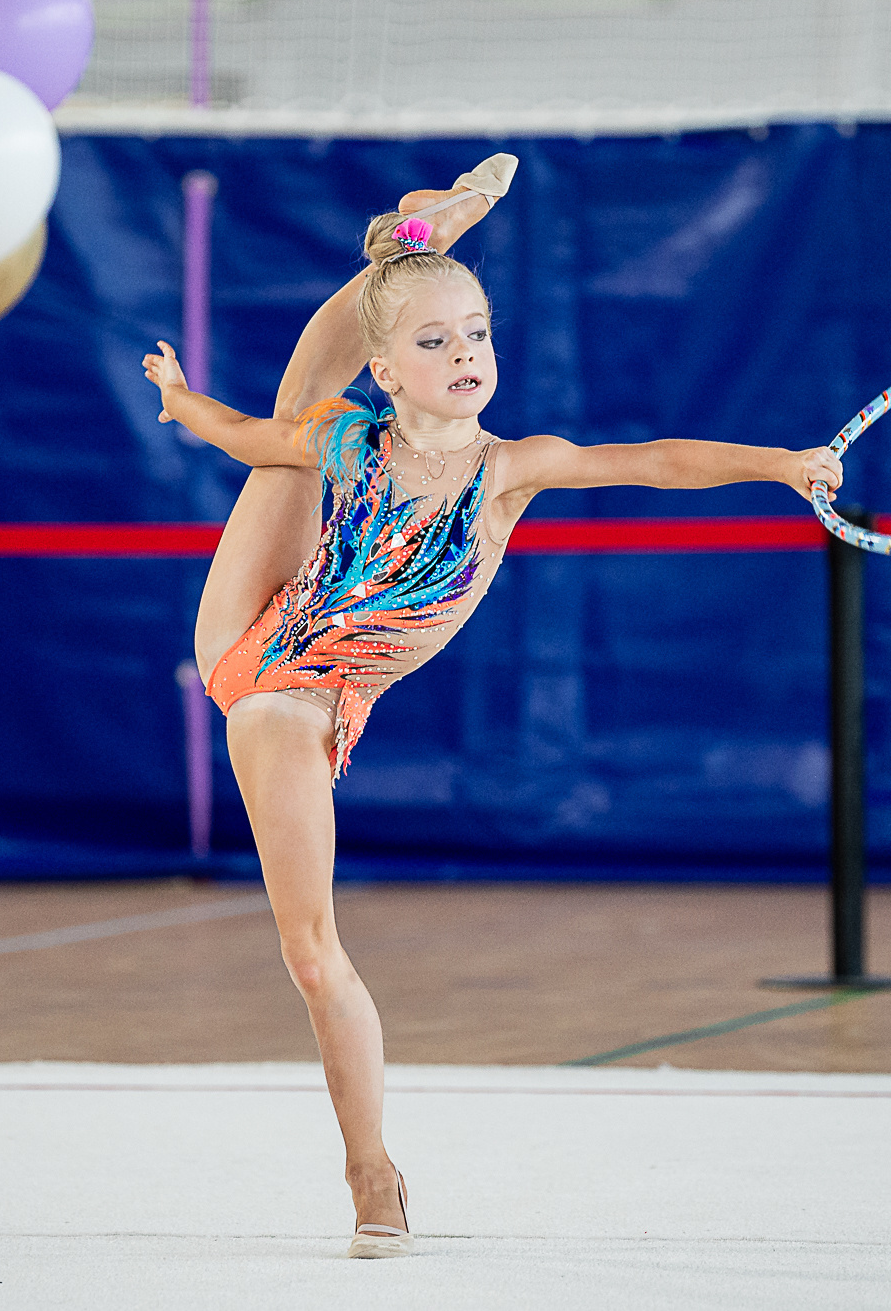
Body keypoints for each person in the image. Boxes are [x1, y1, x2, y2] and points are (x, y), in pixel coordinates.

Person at [139, 156, 844, 1258]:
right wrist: (180, 403)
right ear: (389, 371)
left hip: (325, 682)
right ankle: (373, 1168)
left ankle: (370, 1163)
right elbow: (246, 438)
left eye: (475, 333)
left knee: (314, 953)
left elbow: (656, 461)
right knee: (313, 947)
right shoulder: (348, 438)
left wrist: (781, 464)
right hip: (256, 654)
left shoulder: (514, 470)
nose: (464, 353)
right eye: (433, 340)